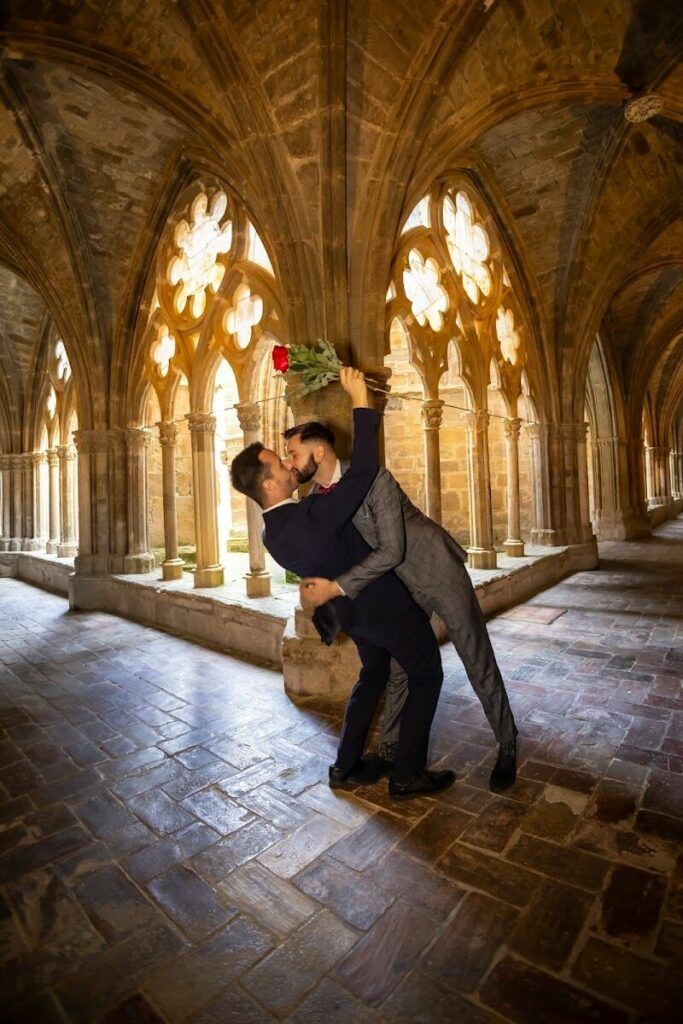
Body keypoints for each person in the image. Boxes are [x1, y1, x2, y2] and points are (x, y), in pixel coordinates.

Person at [230, 368, 454, 799]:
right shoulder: (306, 521)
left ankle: (345, 766)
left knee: (372, 674)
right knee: (427, 673)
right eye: (281, 462)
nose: (288, 462)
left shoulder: (273, 532)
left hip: (356, 615)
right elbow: (364, 471)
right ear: (271, 482)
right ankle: (407, 775)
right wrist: (359, 400)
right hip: (383, 607)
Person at [283, 419, 518, 792]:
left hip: (435, 569)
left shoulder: (372, 477)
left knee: (476, 656)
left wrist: (339, 588)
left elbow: (392, 549)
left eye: (294, 453)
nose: (290, 463)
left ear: (320, 450)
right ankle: (391, 753)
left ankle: (507, 742)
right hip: (399, 590)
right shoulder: (312, 503)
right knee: (398, 670)